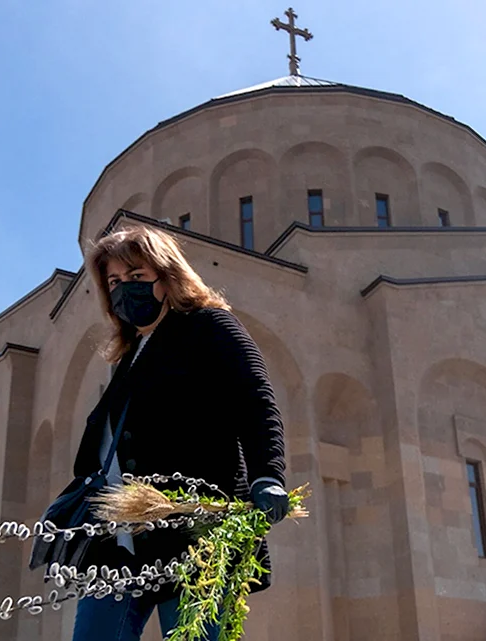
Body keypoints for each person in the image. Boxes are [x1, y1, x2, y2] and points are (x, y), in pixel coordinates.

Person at [69, 225, 289, 641]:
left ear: (166, 276)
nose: (123, 290)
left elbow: (255, 398)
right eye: (114, 281)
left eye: (135, 277)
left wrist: (268, 475)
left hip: (193, 531)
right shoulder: (131, 353)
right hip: (118, 538)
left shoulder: (209, 325)